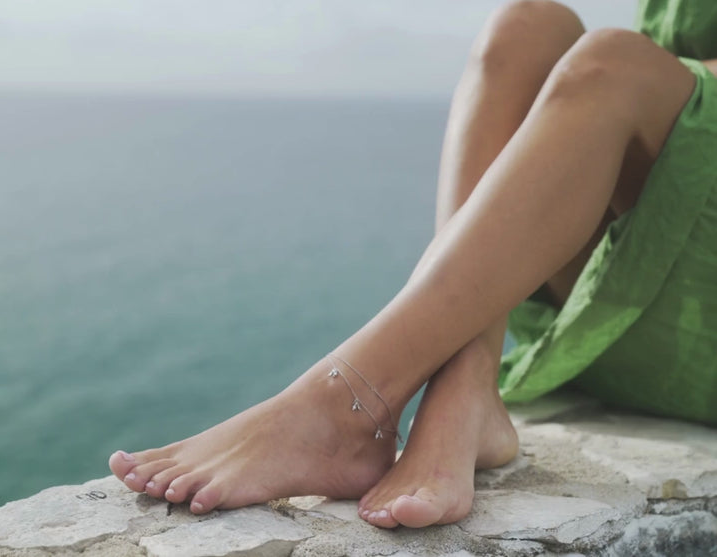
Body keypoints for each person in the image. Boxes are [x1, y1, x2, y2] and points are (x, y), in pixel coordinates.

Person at [109, 0, 717, 529]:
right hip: (638, 279)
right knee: (529, 26)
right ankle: (465, 388)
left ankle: (343, 405)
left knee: (611, 65)